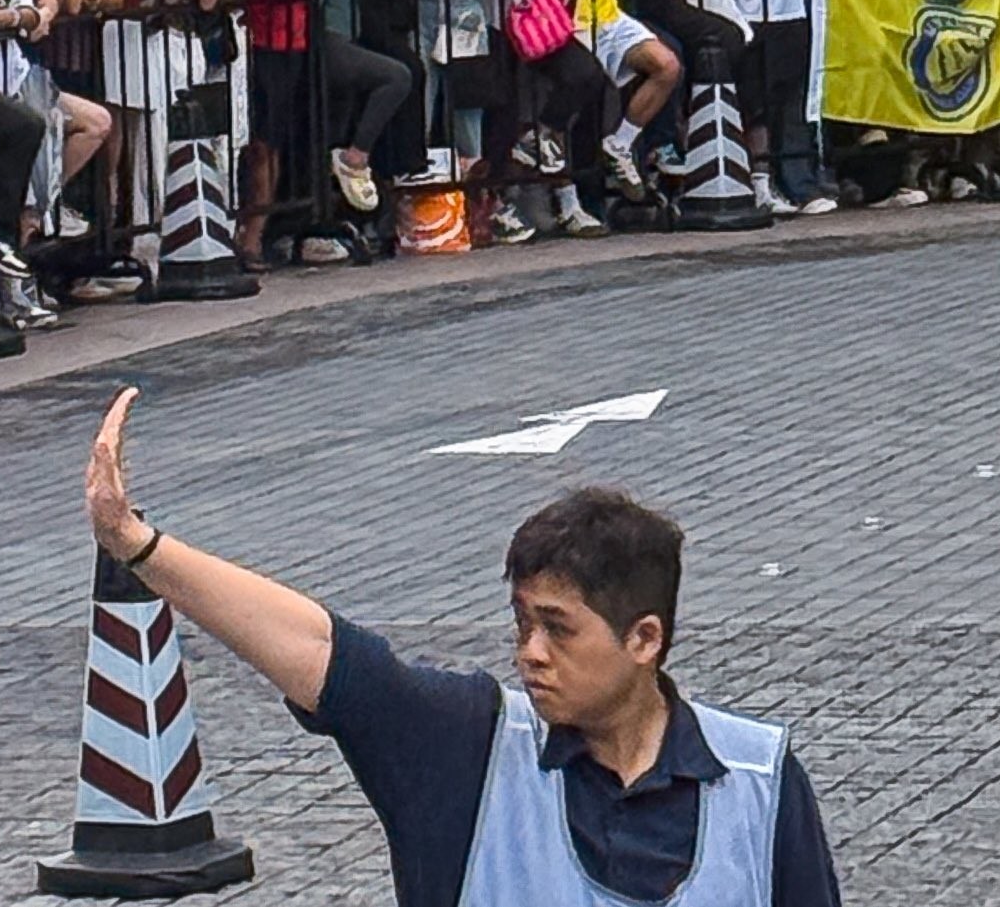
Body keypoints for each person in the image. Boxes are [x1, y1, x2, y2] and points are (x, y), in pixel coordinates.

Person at [82, 385, 842, 906]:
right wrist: (138, 544)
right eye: (521, 623)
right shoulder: (466, 748)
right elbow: (320, 649)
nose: (528, 652)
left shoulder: (759, 780)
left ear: (645, 637)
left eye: (557, 626)